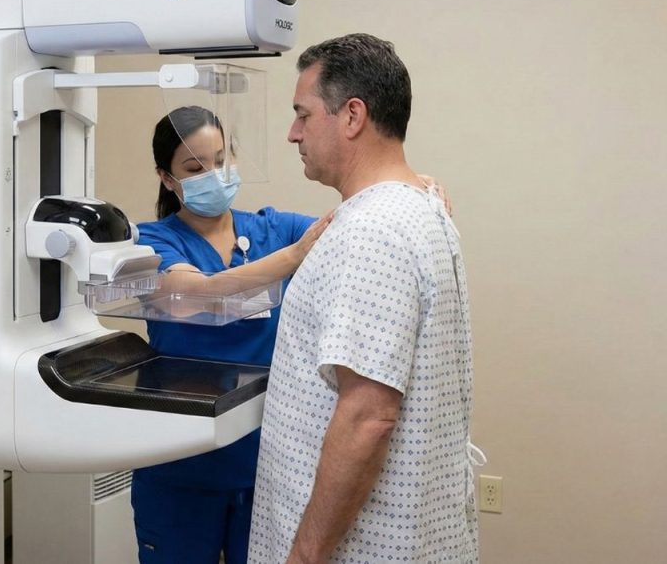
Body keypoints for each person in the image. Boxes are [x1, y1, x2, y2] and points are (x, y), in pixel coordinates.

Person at [131, 104, 451, 564]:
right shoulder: (154, 240)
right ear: (167, 178)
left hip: (265, 465)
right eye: (194, 168)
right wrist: (296, 254)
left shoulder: (270, 227)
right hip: (181, 463)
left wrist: (414, 189)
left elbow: (356, 223)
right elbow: (202, 292)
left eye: (222, 159)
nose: (215, 174)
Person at [247, 33, 481, 564]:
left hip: (361, 547)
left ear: (352, 116)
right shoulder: (421, 211)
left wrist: (305, 556)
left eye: (303, 115)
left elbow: (368, 416)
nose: (292, 133)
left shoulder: (371, 232)